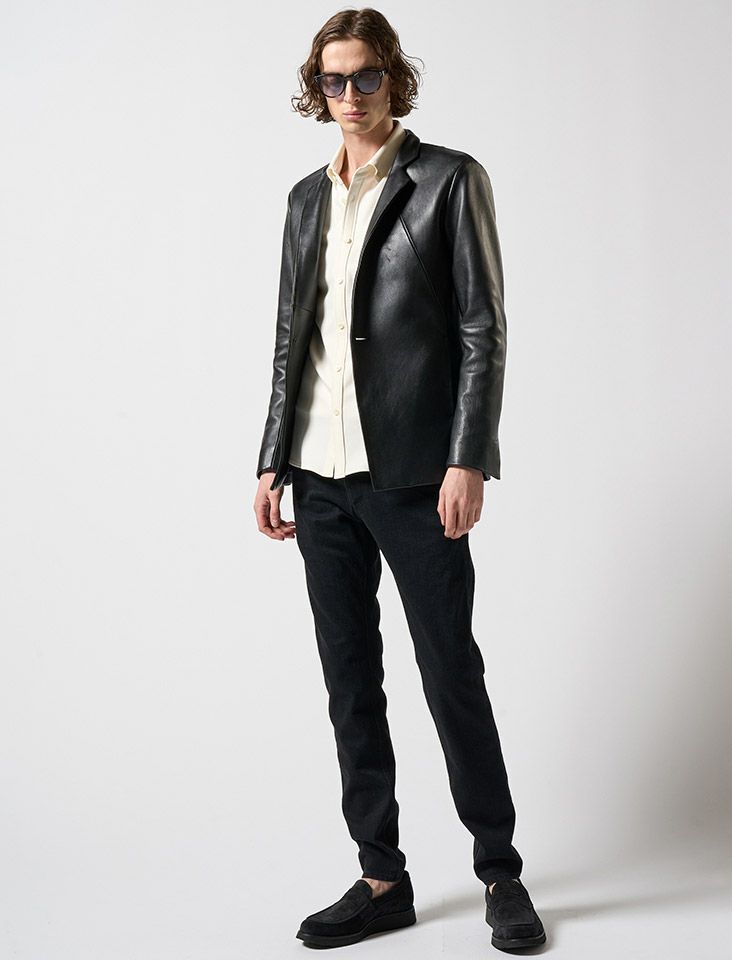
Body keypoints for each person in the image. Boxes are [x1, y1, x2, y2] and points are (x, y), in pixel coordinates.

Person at [252, 7, 546, 952]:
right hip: (320, 476)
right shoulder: (305, 199)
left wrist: (469, 457)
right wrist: (271, 457)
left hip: (417, 475)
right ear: (318, 87)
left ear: (394, 78)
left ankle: (500, 871)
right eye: (333, 80)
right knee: (350, 682)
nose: (350, 95)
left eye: (367, 76)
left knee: (450, 671)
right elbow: (292, 341)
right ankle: (382, 877)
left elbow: (482, 328)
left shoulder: (448, 180)